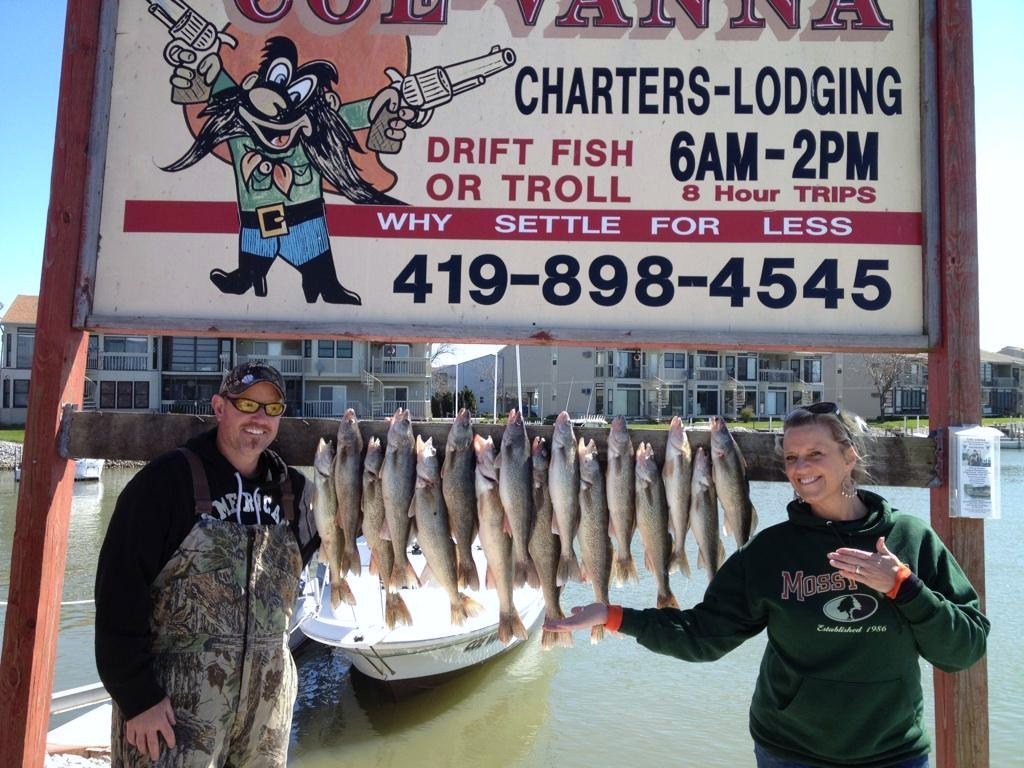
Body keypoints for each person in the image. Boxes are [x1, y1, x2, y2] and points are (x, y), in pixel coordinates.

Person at [545, 402, 990, 768]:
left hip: (893, 755)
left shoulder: (909, 539)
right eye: (791, 458)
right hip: (789, 752)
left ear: (850, 455)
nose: (801, 468)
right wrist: (613, 615)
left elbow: (963, 649)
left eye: (815, 454)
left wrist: (902, 587)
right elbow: (705, 636)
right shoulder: (770, 552)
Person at [95, 362, 320, 767]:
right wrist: (136, 696)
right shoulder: (167, 482)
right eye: (248, 404)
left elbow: (356, 540)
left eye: (271, 409)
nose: (259, 418)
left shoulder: (296, 494)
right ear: (219, 407)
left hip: (265, 720)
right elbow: (118, 591)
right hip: (174, 716)